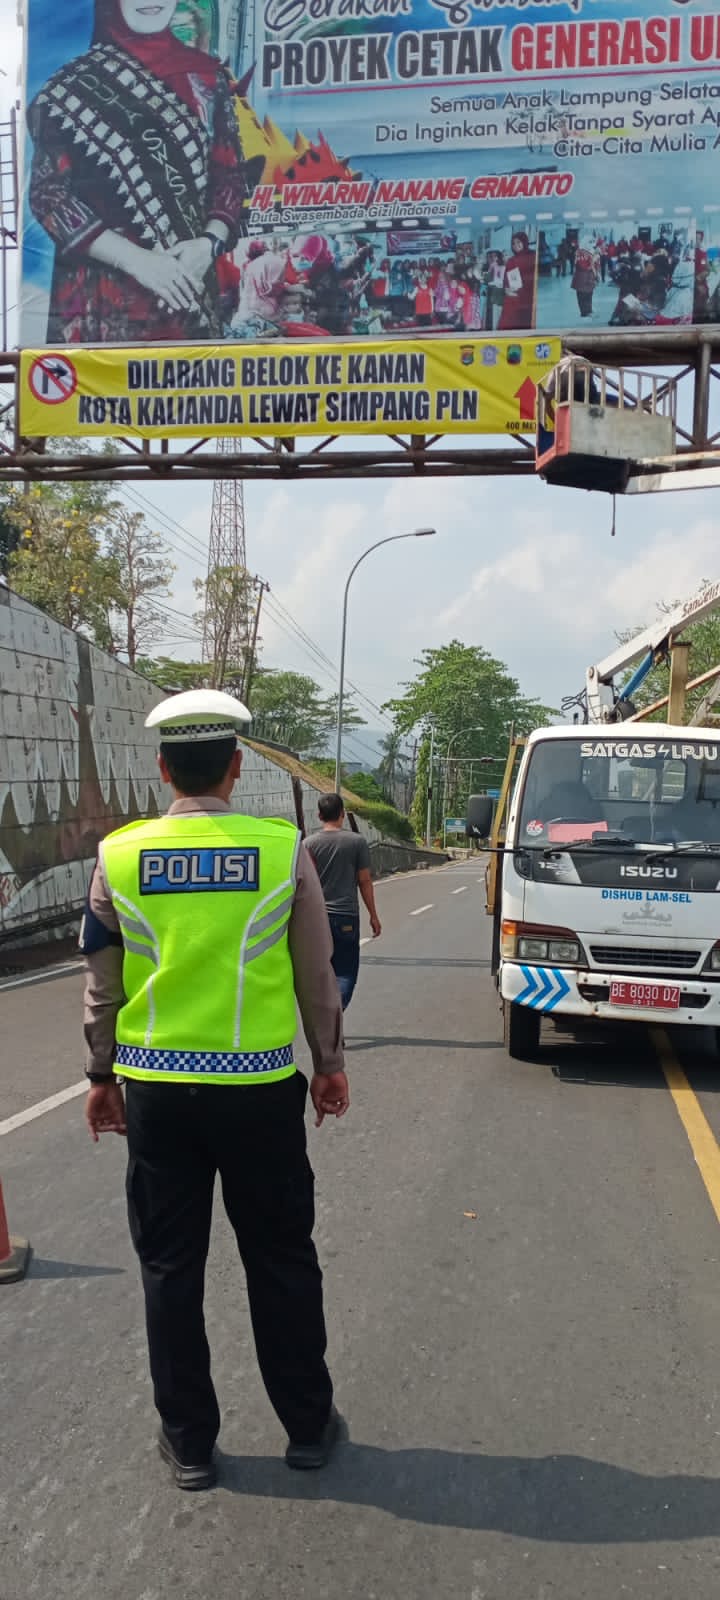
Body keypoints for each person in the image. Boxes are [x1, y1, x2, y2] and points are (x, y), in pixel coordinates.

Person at [80, 689, 348, 1490]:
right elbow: (315, 973)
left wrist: (101, 1074)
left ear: (163, 768)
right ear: (236, 767)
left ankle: (190, 1444)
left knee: (170, 1269)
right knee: (281, 1259)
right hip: (259, 1089)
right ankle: (307, 1428)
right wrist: (329, 1065)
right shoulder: (278, 848)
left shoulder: (119, 857)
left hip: (157, 1094)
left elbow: (101, 983)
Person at [27, 0, 248, 343]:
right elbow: (49, 198)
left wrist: (206, 246)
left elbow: (231, 177)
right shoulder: (67, 93)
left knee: (197, 396)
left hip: (190, 290)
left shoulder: (207, 77)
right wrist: (138, 262)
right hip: (101, 306)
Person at [305, 793, 381, 1014]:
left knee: (321, 973)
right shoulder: (356, 842)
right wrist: (373, 916)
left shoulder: (307, 844)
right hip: (346, 917)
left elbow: (303, 883)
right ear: (342, 815)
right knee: (346, 972)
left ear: (319, 815)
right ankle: (334, 1015)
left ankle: (328, 1019)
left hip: (316, 919)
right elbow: (364, 881)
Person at [498, 233, 536, 330]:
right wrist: (506, 289)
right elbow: (507, 281)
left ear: (524, 242)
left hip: (530, 296)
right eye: (513, 243)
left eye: (518, 242)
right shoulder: (512, 260)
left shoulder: (534, 255)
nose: (516, 245)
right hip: (516, 297)